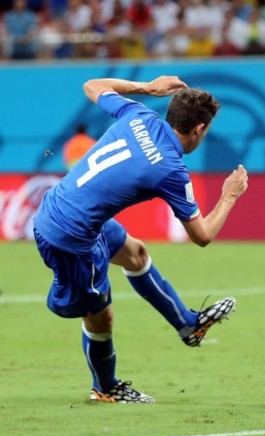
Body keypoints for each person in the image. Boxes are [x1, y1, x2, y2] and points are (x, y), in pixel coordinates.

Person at [33, 75, 249, 403]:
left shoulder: (140, 115)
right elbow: (202, 236)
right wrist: (229, 196)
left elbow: (91, 85)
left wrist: (147, 88)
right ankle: (105, 388)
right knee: (99, 315)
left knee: (135, 253)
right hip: (70, 237)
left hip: (60, 207)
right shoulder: (171, 168)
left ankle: (187, 325)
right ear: (199, 130)